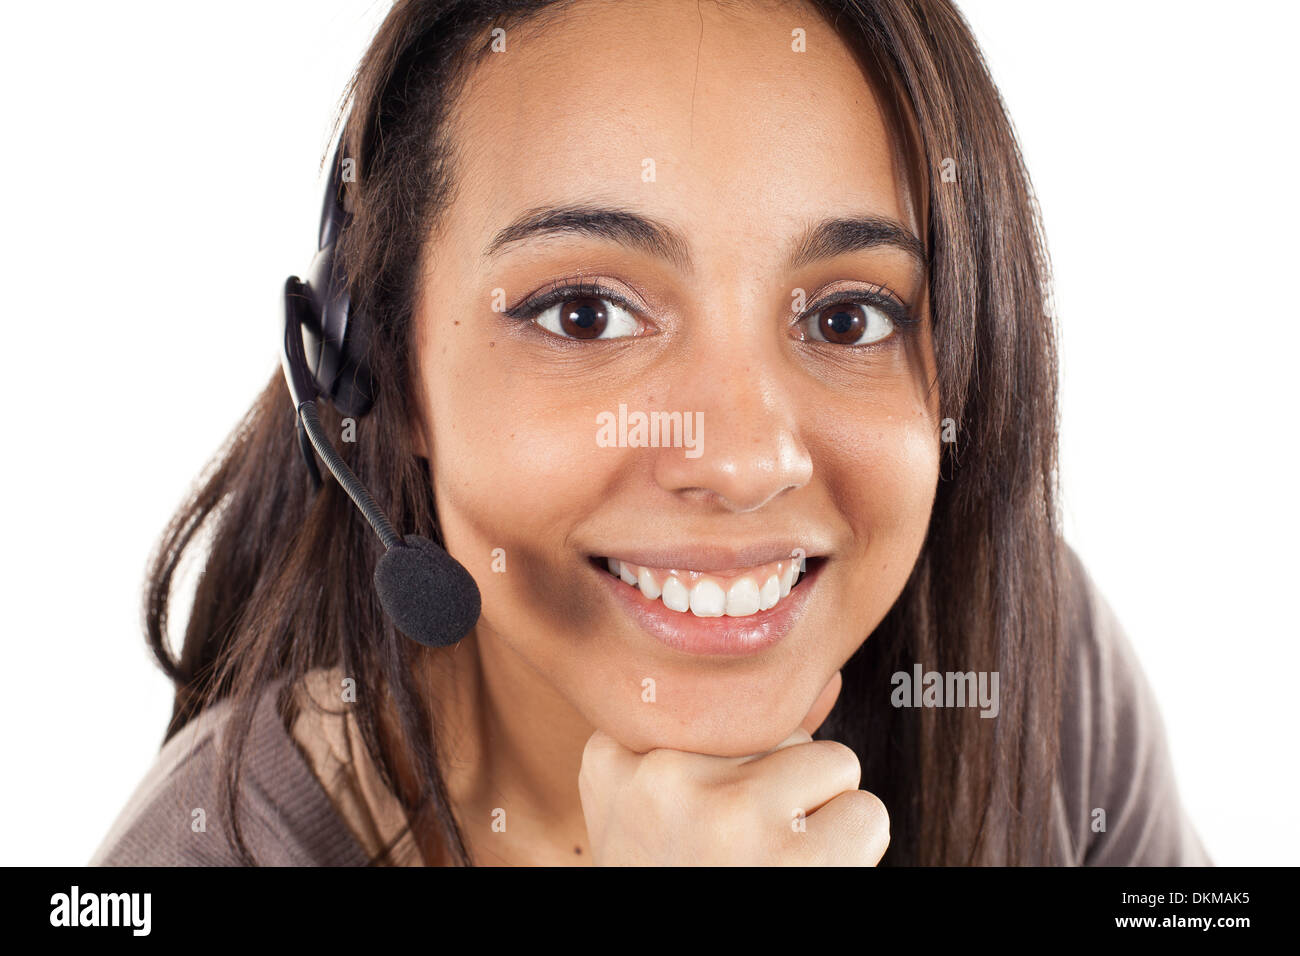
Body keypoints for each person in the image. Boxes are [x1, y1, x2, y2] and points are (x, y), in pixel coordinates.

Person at [92, 0, 1210, 866]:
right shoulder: (214, 847)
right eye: (584, 313)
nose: (739, 459)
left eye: (847, 316)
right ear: (382, 366)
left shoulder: (1025, 652)